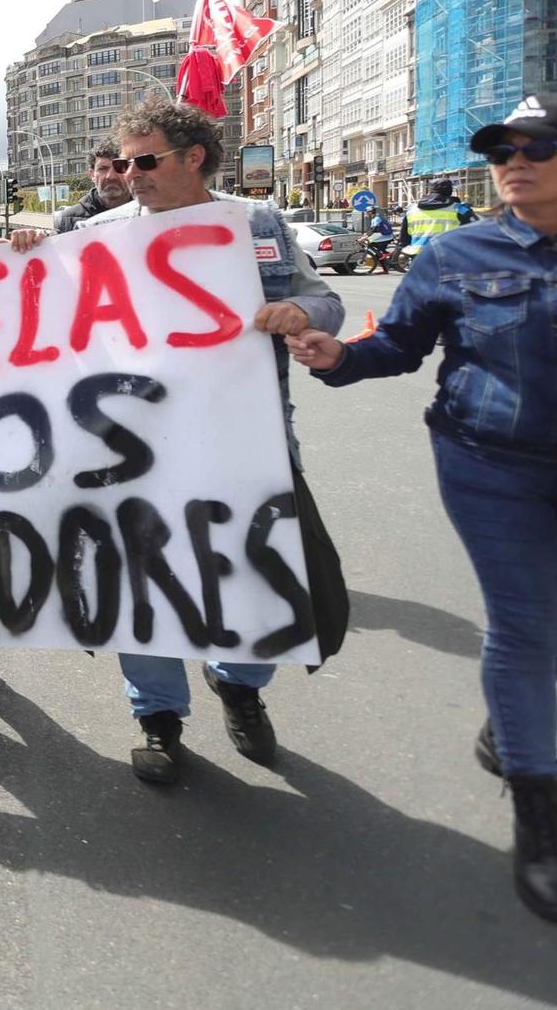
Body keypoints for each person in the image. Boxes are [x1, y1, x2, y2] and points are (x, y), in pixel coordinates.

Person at [286, 89, 557, 921]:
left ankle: (510, 727)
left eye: (533, 148)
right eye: (499, 150)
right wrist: (338, 356)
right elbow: (399, 346)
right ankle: (541, 822)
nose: (511, 162)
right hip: (489, 464)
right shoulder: (458, 255)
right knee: (526, 627)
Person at [26, 99, 345, 783]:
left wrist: (300, 310)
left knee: (251, 573)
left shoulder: (254, 224)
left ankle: (239, 684)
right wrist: (29, 254)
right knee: (136, 578)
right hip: (124, 450)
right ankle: (159, 718)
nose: (128, 175)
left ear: (193, 158)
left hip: (241, 445)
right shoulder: (97, 234)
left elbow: (327, 302)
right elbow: (36, 313)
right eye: (122, 162)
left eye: (146, 161)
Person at [52, 141, 133, 232]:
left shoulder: (147, 213)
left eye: (119, 167)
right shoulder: (67, 221)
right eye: (103, 169)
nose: (111, 176)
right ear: (92, 175)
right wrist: (35, 242)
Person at [397, 177, 477, 257]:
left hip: (419, 258)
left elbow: (404, 239)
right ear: (450, 191)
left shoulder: (412, 210)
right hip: (449, 257)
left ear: (430, 190)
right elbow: (476, 234)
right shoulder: (461, 210)